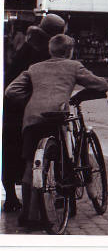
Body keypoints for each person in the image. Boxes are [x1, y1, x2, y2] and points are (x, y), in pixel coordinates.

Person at [5, 33, 108, 227]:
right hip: (57, 117)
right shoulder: (73, 66)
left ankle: (28, 215)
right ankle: (64, 198)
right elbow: (101, 84)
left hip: (33, 118)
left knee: (31, 164)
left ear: (50, 50)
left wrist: (29, 101)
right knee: (63, 159)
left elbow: (11, 91)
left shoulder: (34, 68)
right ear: (69, 52)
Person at [2, 14, 66, 213]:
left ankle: (12, 197)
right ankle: (42, 200)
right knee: (39, 152)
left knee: (11, 152)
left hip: (12, 107)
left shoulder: (27, 47)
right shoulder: (48, 52)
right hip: (32, 108)